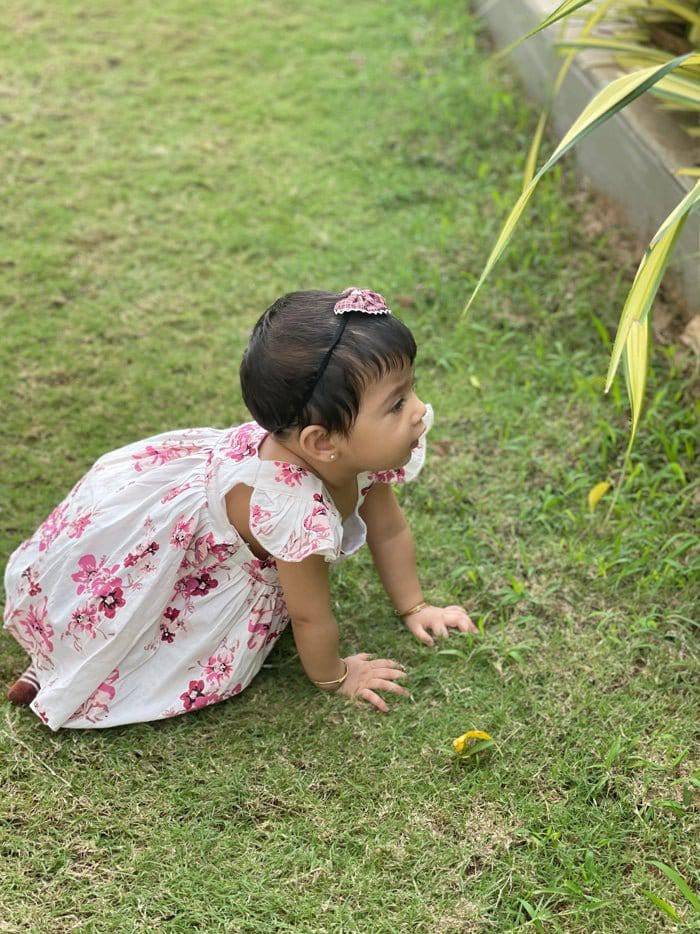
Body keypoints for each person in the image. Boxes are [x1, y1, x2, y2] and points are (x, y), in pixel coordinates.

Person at [3, 287, 477, 730]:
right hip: (181, 548)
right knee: (128, 624)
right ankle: (49, 671)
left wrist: (416, 606)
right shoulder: (289, 505)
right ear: (322, 441)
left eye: (410, 390)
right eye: (396, 404)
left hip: (212, 508)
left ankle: (49, 667)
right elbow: (308, 613)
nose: (417, 410)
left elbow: (388, 530)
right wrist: (336, 676)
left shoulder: (355, 451)